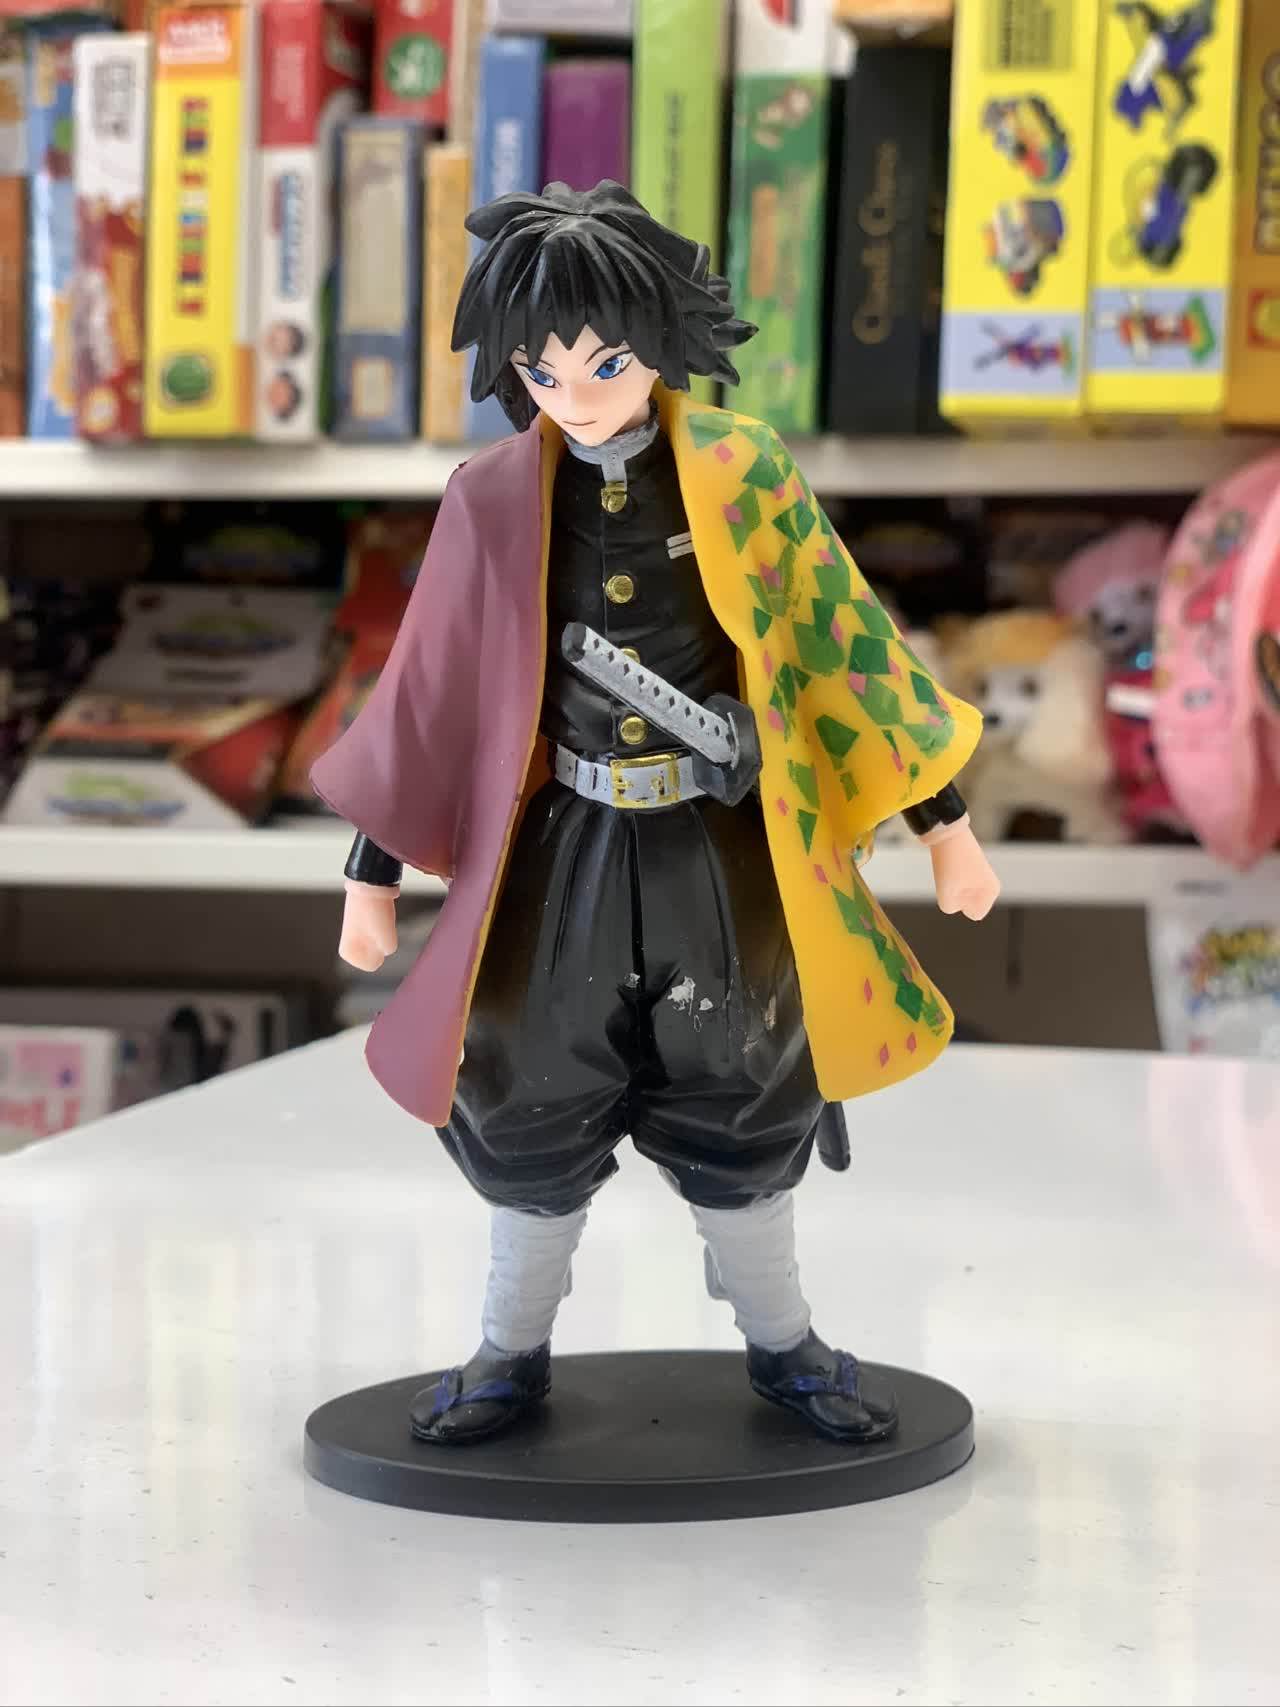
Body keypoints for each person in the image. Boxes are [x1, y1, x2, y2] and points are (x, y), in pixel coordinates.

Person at [312, 181, 1000, 1449]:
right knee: (521, 1086)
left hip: (717, 855)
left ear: (659, 343)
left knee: (747, 1083)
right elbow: (428, 692)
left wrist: (941, 822)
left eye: (603, 363)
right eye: (543, 369)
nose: (573, 393)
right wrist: (373, 874)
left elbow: (845, 648)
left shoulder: (745, 476)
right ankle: (508, 1351)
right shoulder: (489, 498)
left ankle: (784, 1345)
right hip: (563, 860)